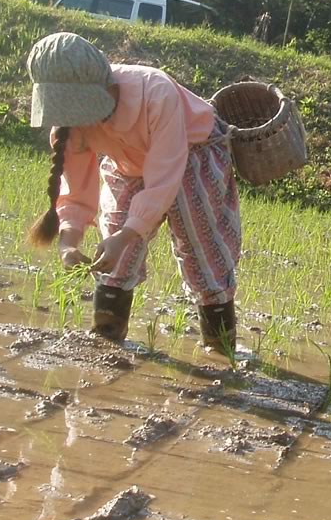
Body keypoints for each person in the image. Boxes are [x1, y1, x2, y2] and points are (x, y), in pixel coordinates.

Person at [24, 31, 242, 352]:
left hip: (192, 152)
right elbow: (75, 190)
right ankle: (107, 338)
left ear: (102, 88)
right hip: (127, 162)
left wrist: (129, 234)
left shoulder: (155, 93)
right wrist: (68, 242)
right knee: (112, 250)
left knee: (200, 244)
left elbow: (165, 176)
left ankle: (220, 348)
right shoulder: (71, 123)